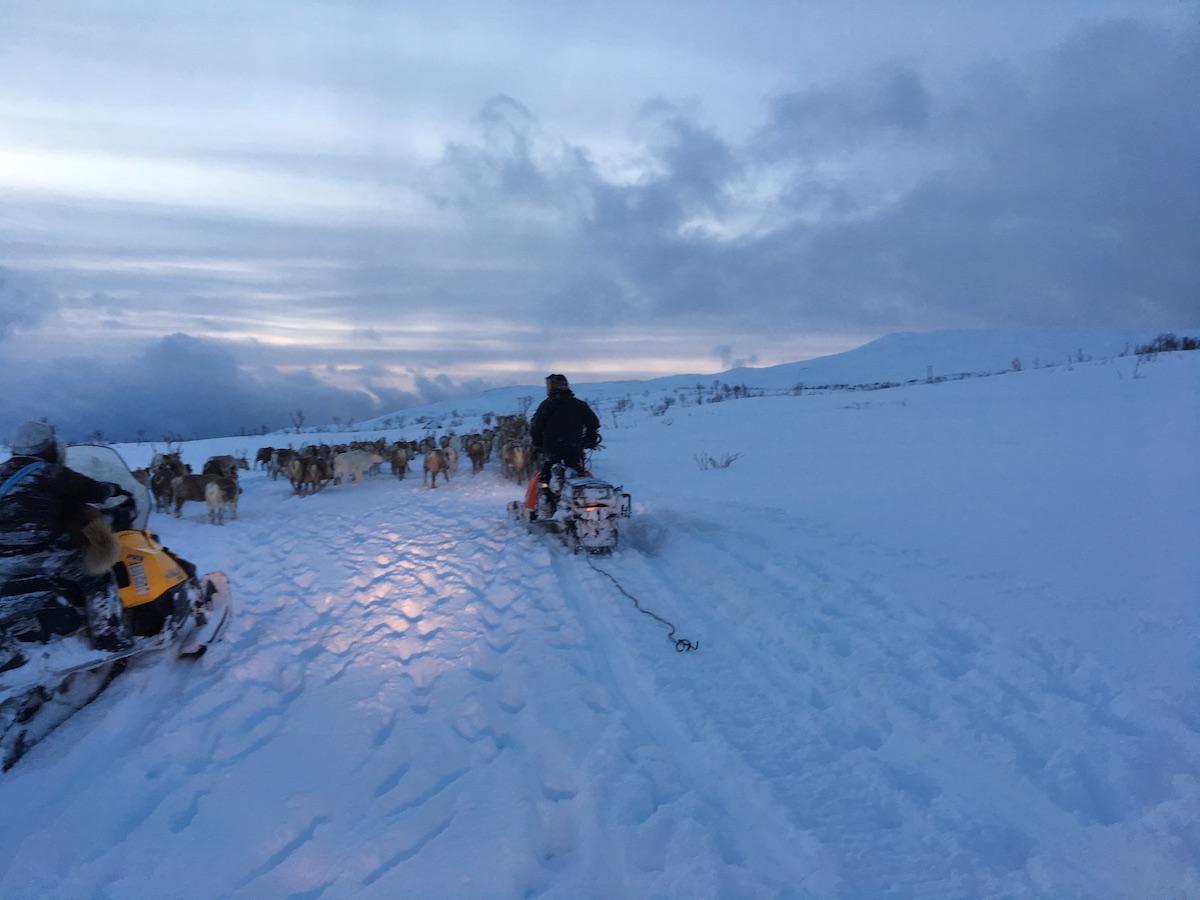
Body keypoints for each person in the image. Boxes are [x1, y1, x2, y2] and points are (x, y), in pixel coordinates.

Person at [0, 421, 133, 652]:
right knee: (97, 575)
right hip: (37, 556)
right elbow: (95, 492)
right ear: (49, 447)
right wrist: (114, 489)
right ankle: (108, 635)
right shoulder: (53, 473)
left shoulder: (2, 472)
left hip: (3, 561)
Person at [528, 375, 601, 516]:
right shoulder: (579, 405)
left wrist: (537, 444)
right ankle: (580, 504)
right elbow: (594, 423)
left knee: (546, 479)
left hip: (551, 449)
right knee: (578, 475)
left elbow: (536, 427)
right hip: (574, 449)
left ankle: (545, 509)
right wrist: (590, 439)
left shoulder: (547, 405)